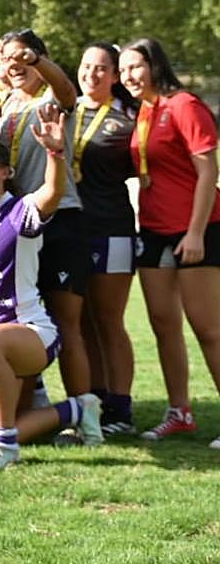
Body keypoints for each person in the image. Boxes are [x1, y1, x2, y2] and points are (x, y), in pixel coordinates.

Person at [0, 112, 103, 472]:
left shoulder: (20, 211)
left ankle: (7, 450)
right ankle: (77, 409)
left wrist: (56, 155)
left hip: (28, 332)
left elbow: (52, 193)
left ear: (5, 173)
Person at [119, 38, 220, 448]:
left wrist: (195, 232)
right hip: (154, 230)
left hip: (197, 230)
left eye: (135, 67)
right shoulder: (142, 112)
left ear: (154, 64)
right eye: (123, 71)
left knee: (209, 329)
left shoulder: (183, 104)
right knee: (163, 322)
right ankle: (180, 412)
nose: (128, 77)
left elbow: (207, 171)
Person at [0, 28, 92, 441]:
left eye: (23, 58)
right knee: (22, 320)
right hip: (20, 223)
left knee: (68, 324)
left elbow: (68, 87)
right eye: (8, 58)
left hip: (61, 220)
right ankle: (36, 406)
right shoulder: (6, 103)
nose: (15, 65)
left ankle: (88, 415)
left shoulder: (51, 100)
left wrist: (33, 62)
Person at [74, 43, 139, 436]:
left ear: (114, 76)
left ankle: (122, 408)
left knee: (109, 321)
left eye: (101, 69)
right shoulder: (67, 110)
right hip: (71, 232)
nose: (92, 74)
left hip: (112, 228)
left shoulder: (128, 118)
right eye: (86, 66)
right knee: (81, 322)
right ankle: (95, 401)